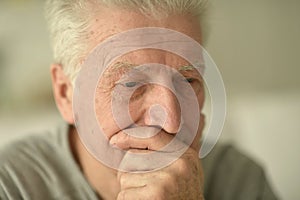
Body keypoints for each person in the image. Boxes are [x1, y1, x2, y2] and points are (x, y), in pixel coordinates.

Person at [0, 0, 278, 199]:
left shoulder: (242, 180)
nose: (171, 120)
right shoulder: (10, 186)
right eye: (131, 84)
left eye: (188, 80)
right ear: (65, 93)